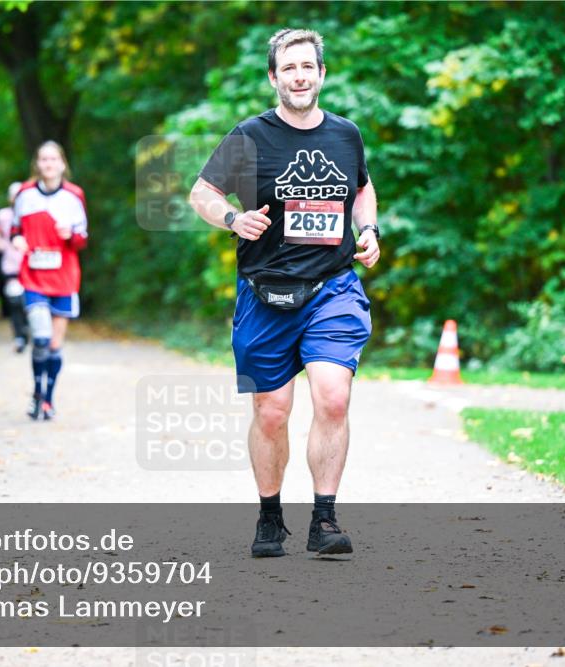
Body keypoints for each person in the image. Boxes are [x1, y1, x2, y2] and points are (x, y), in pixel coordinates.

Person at [188, 28, 380, 557]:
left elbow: (362, 189)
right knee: (271, 412)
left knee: (333, 397)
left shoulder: (346, 135)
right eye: (288, 68)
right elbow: (200, 192)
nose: (299, 76)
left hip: (332, 288)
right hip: (264, 292)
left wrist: (369, 232)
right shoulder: (250, 136)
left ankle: (324, 518)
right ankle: (270, 516)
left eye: (308, 67)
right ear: (274, 77)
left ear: (322, 74)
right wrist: (232, 217)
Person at [11, 142, 88, 421]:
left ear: (62, 164)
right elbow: (15, 228)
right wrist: (17, 239)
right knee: (40, 338)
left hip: (64, 279)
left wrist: (72, 235)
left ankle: (48, 399)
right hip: (33, 278)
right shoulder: (24, 194)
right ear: (37, 164)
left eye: (54, 159)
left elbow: (83, 239)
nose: (49, 164)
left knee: (54, 345)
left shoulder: (74, 195)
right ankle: (37, 392)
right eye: (43, 159)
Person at [0, 182, 29, 352]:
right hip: (11, 264)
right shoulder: (3, 215)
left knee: (30, 301)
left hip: (31, 264)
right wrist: (0, 244)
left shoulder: (31, 213)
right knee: (14, 302)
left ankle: (30, 330)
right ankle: (19, 336)